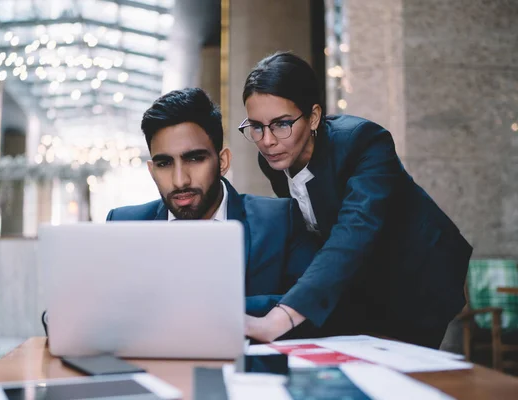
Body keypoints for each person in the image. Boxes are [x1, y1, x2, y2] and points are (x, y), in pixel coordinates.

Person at [44, 88, 321, 341]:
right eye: (165, 163)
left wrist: (191, 310)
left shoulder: (279, 219)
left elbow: (316, 307)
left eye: (194, 158)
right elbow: (70, 316)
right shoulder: (124, 224)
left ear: (222, 161)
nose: (179, 180)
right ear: (152, 170)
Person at [238, 52, 472, 348]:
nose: (268, 140)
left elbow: (353, 232)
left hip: (418, 274)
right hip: (360, 281)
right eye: (256, 126)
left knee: (403, 373)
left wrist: (281, 317)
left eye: (281, 123)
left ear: (313, 117)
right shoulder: (274, 160)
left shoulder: (364, 142)